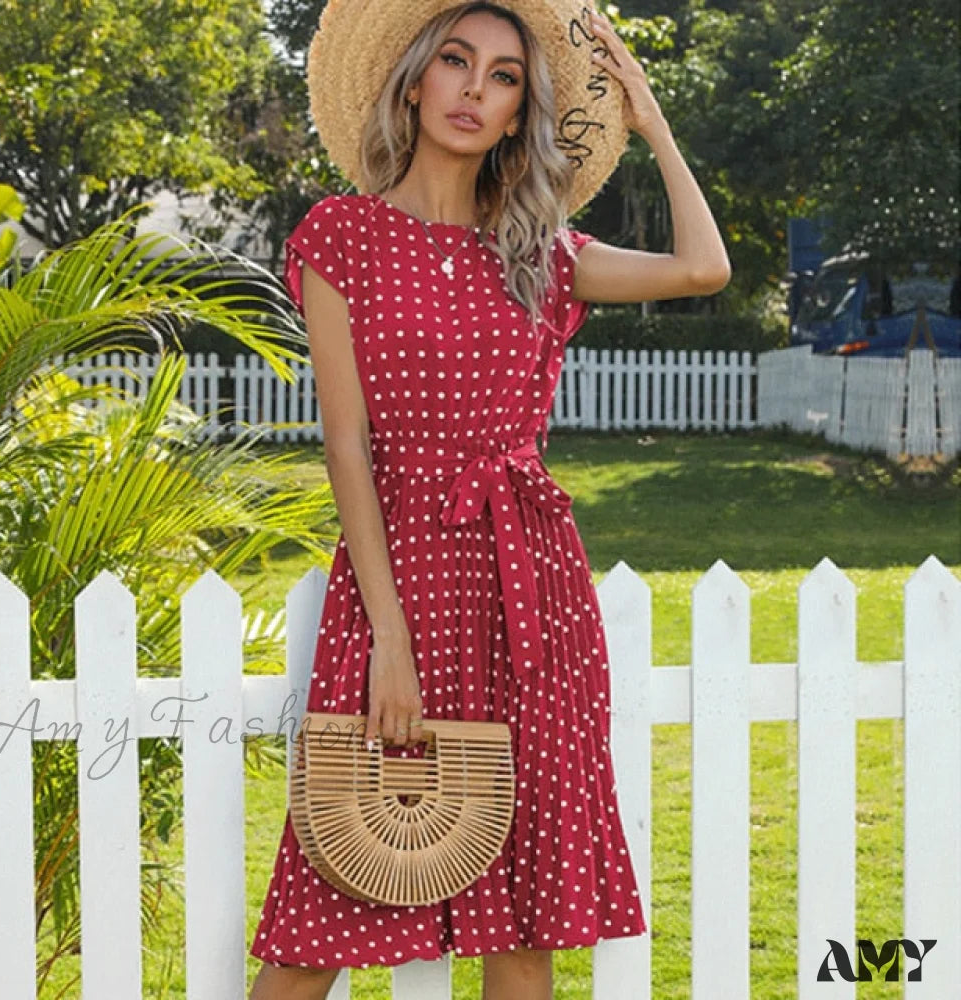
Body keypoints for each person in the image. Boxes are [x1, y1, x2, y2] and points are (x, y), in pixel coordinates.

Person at [249, 2, 730, 998]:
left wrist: (652, 122)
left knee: (527, 926)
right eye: (455, 63)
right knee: (321, 916)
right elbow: (347, 446)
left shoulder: (547, 253)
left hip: (530, 594)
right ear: (413, 81)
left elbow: (703, 266)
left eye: (503, 76)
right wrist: (389, 636)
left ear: (519, 113)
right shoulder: (341, 237)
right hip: (400, 588)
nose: (474, 89)